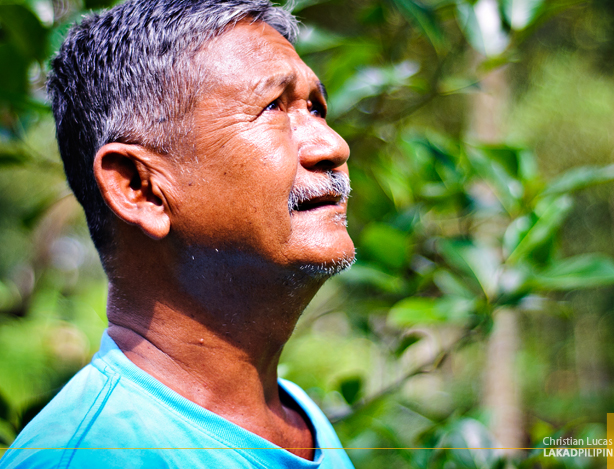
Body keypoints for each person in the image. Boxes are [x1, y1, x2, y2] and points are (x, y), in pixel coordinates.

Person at [0, 1, 356, 467]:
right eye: (273, 107)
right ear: (138, 187)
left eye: (316, 108)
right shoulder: (95, 454)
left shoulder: (300, 420)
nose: (334, 145)